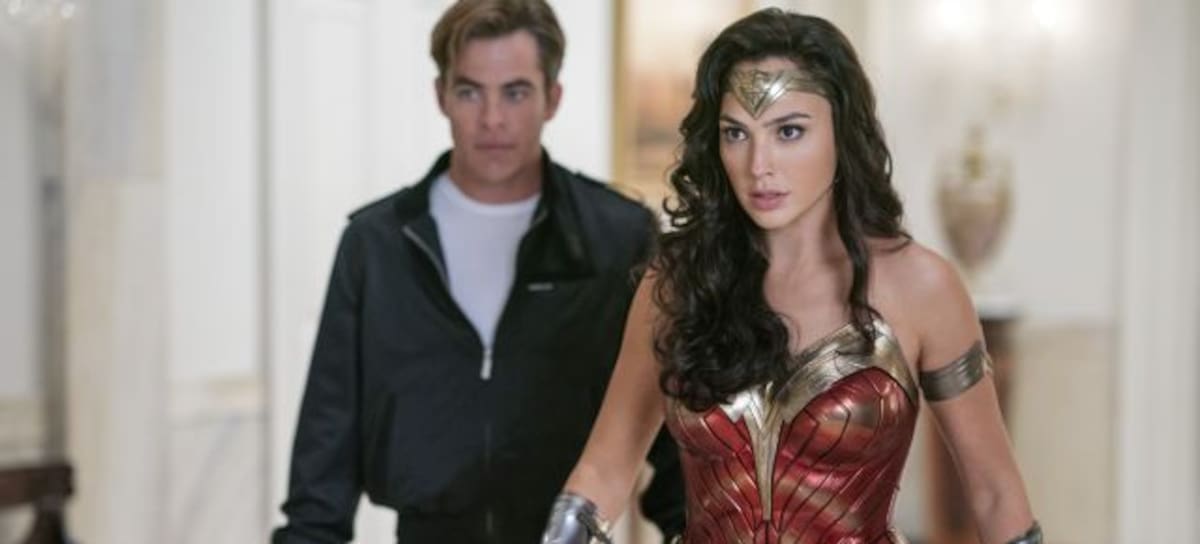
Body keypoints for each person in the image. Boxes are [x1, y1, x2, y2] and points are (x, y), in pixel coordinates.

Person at [542, 8, 1043, 544]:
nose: (759, 165)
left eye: (789, 131)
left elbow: (994, 493)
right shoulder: (677, 285)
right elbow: (604, 472)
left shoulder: (922, 287)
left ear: (841, 133)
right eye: (736, 133)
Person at [272, 1, 685, 542]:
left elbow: (673, 437)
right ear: (441, 95)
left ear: (552, 98)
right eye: (470, 92)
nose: (492, 119)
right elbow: (324, 456)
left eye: (515, 92)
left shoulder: (617, 237)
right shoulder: (376, 245)